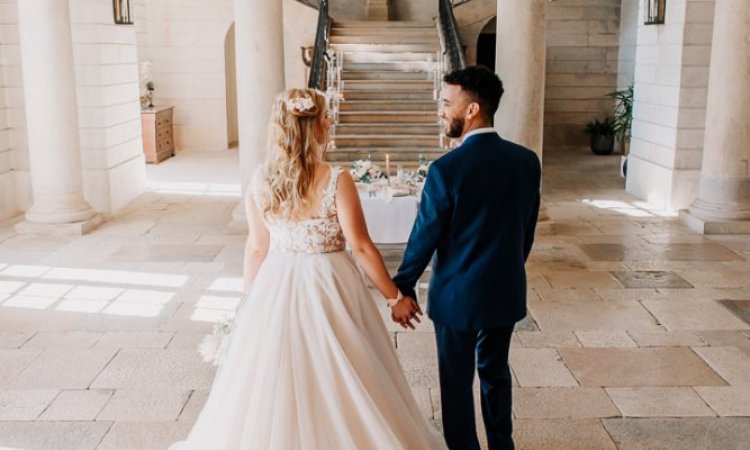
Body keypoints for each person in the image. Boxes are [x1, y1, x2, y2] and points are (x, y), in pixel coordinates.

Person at [170, 88, 444, 450]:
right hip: (329, 282)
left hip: (276, 281)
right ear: (312, 127)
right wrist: (394, 297)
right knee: (344, 367)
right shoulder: (336, 179)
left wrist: (249, 302)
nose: (330, 122)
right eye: (326, 117)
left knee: (278, 374)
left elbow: (256, 247)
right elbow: (361, 246)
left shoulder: (259, 180)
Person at [392, 66, 542, 450]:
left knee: (456, 385)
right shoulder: (526, 161)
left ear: (472, 109)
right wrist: (507, 269)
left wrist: (402, 286)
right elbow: (525, 231)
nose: (441, 110)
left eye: (446, 102)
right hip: (504, 291)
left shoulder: (446, 170)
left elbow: (424, 236)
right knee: (495, 374)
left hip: (456, 296)